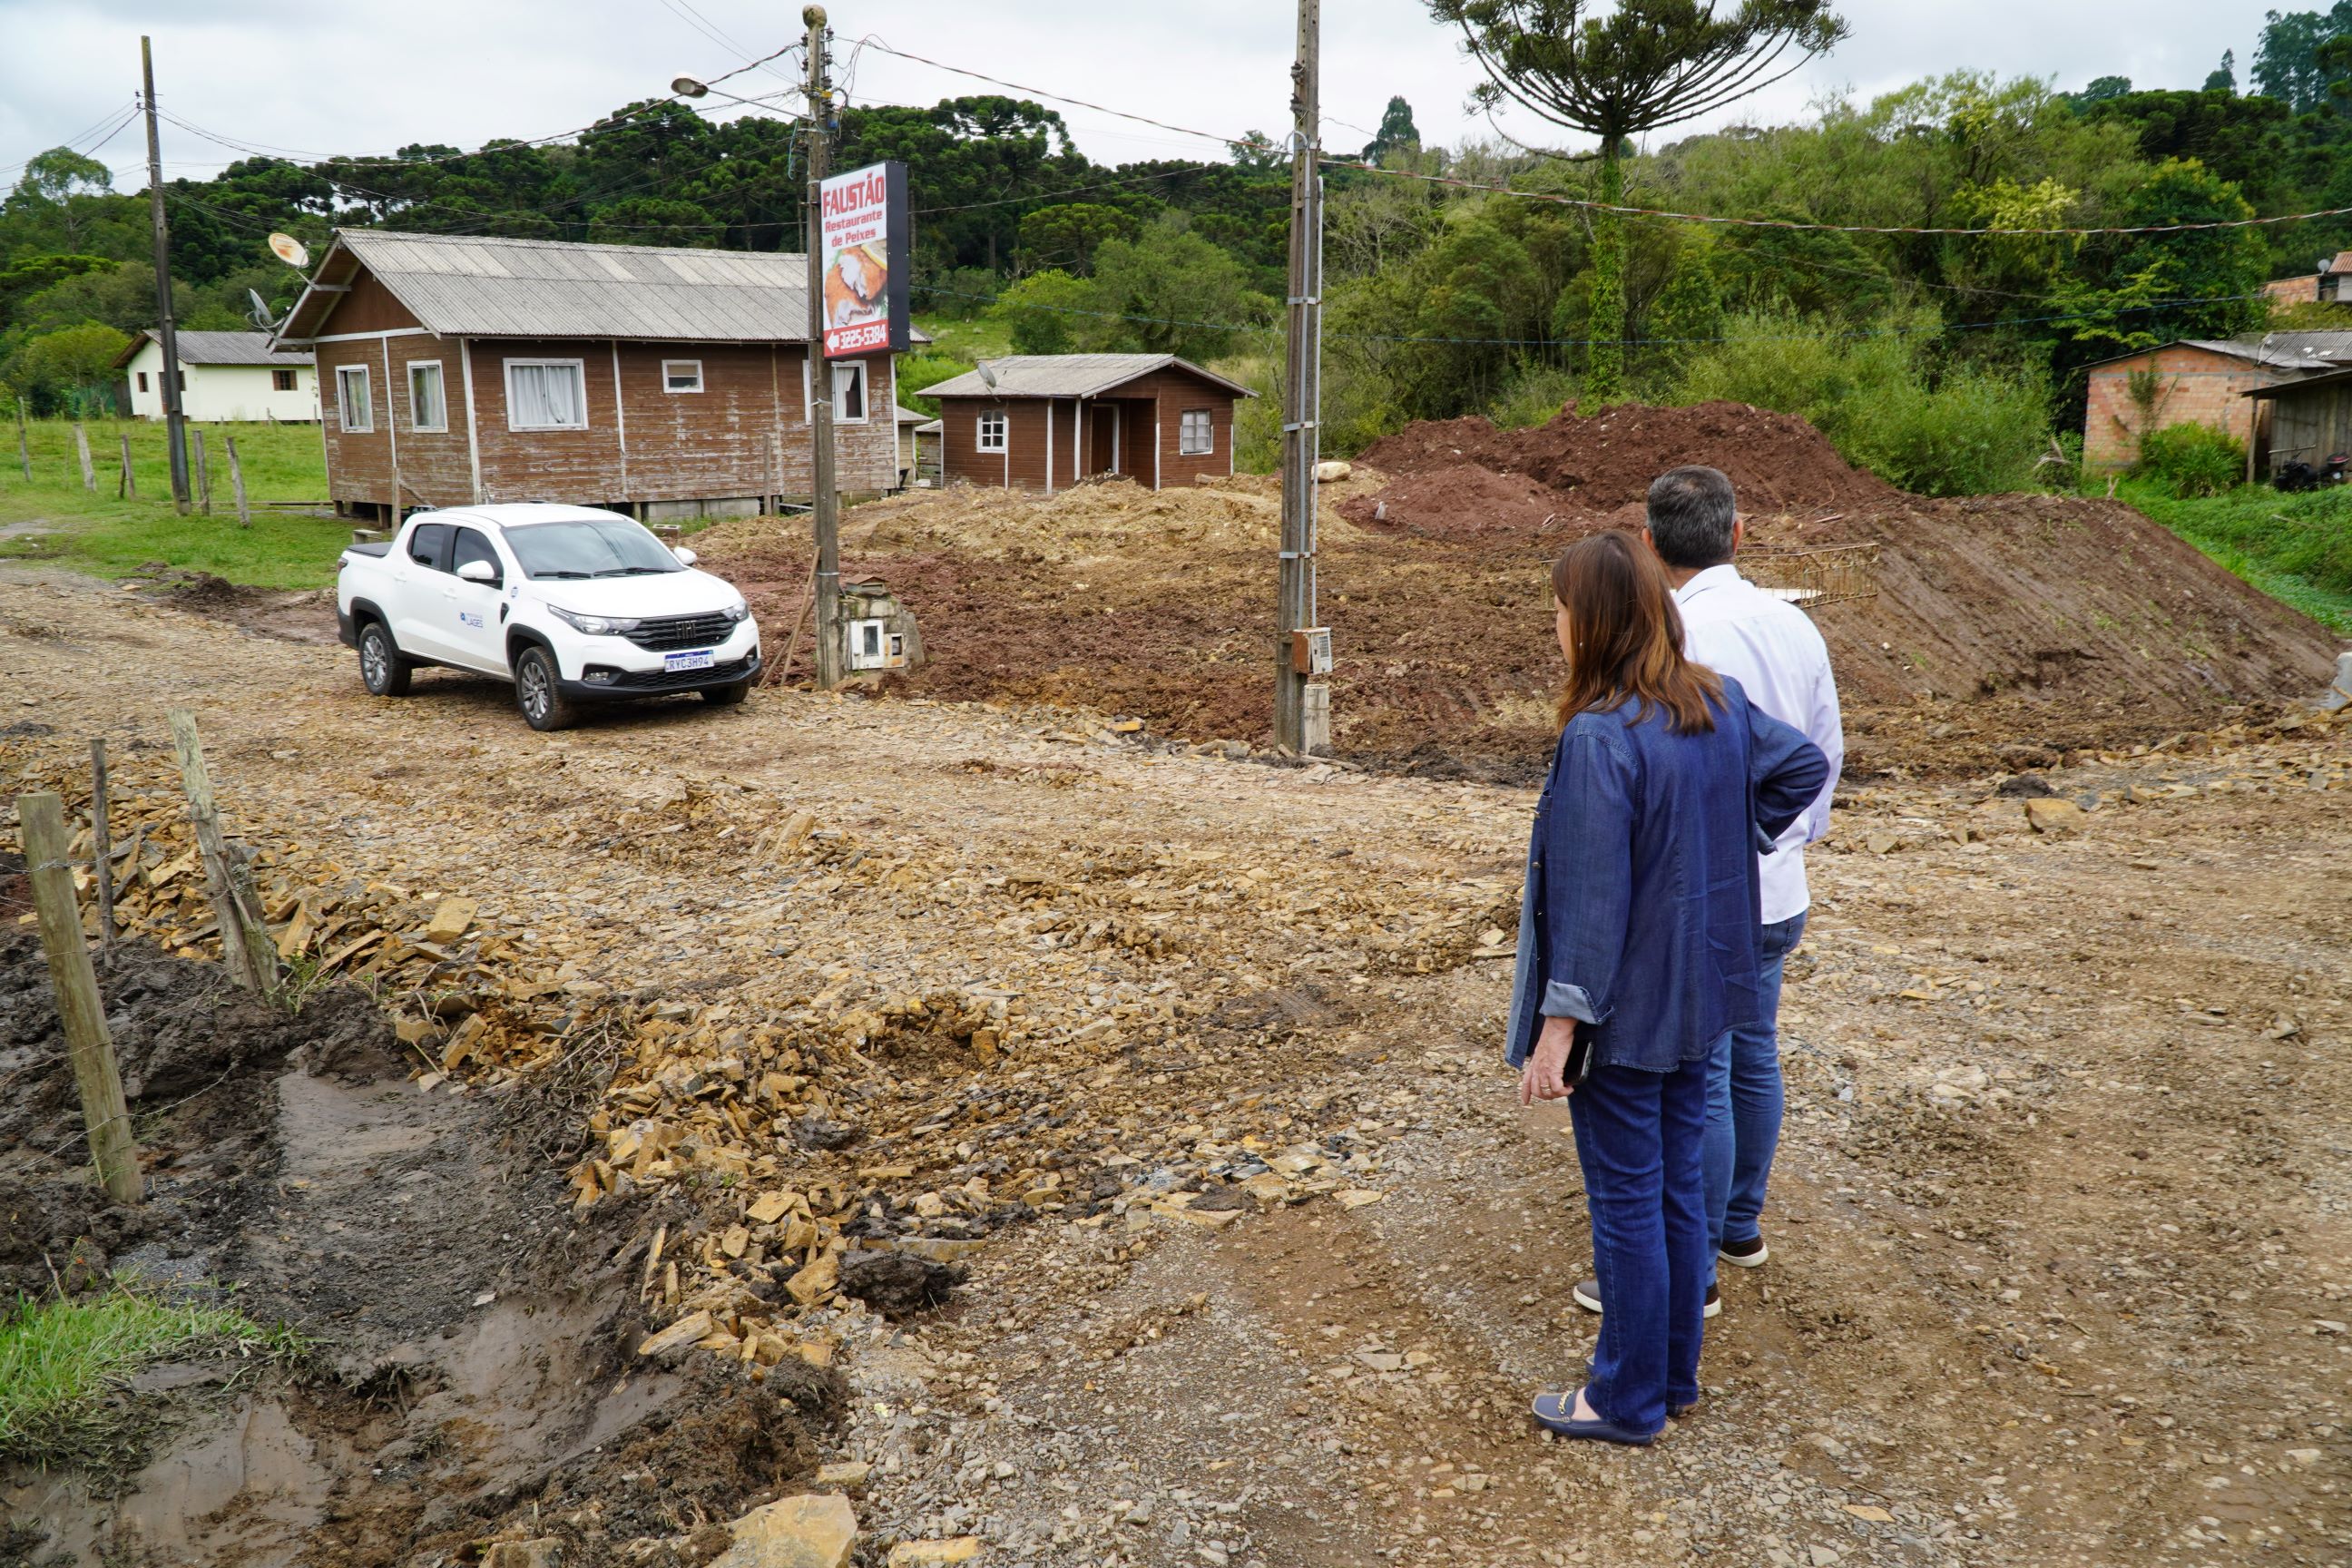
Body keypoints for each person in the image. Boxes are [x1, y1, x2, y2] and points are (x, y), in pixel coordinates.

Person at [1509, 532, 1828, 1446]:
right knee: (1680, 1189)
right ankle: (1674, 1377)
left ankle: (1627, 1400)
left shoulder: (1601, 739)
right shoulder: (1713, 704)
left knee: (1627, 1203)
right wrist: (1732, 840)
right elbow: (1802, 767)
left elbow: (1593, 900)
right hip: (1705, 992)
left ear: (1597, 622)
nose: (1557, 625)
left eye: (1564, 610)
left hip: (1626, 1011)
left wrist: (1559, 1029)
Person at [1570, 466, 1843, 1322]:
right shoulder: (1796, 626)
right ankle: (1739, 1228)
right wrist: (1776, 836)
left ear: (1649, 547)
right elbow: (1818, 755)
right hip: (1779, 883)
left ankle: (1695, 1274)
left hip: (1700, 900)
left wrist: (1722, 840)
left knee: (1707, 1073)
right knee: (1753, 1050)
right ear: (1738, 533)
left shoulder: (1676, 632)